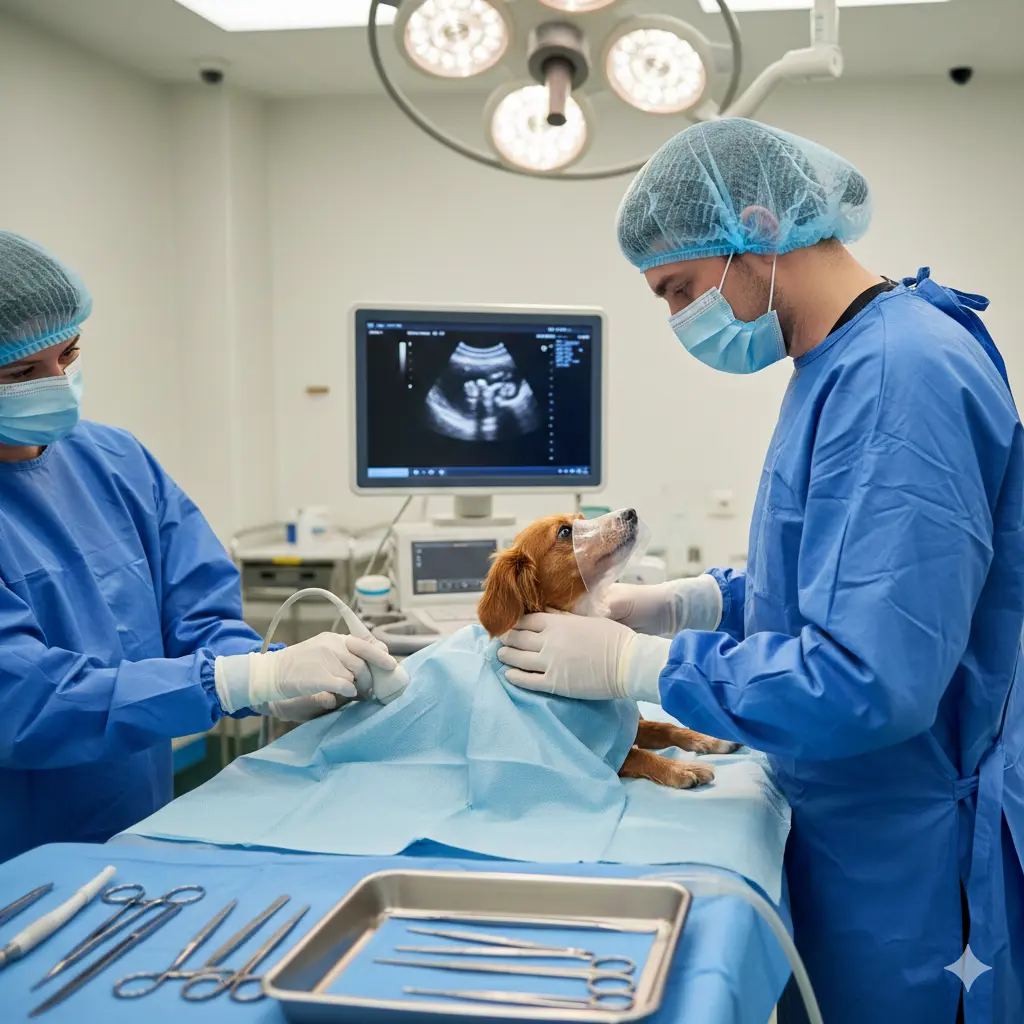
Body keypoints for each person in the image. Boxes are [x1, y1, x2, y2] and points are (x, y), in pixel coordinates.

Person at [498, 119, 1024, 1023]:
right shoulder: (838, 360)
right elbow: (827, 577)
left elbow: (871, 677)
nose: (677, 320)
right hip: (855, 816)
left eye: (679, 288)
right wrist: (684, 604)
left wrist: (641, 668)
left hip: (911, 863)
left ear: (754, 229)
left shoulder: (900, 376)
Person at [0, 231, 397, 863]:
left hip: (139, 821)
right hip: (18, 852)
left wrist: (268, 677)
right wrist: (242, 680)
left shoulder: (116, 461)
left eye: (68, 358)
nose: (56, 385)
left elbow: (202, 613)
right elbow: (26, 704)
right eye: (22, 372)